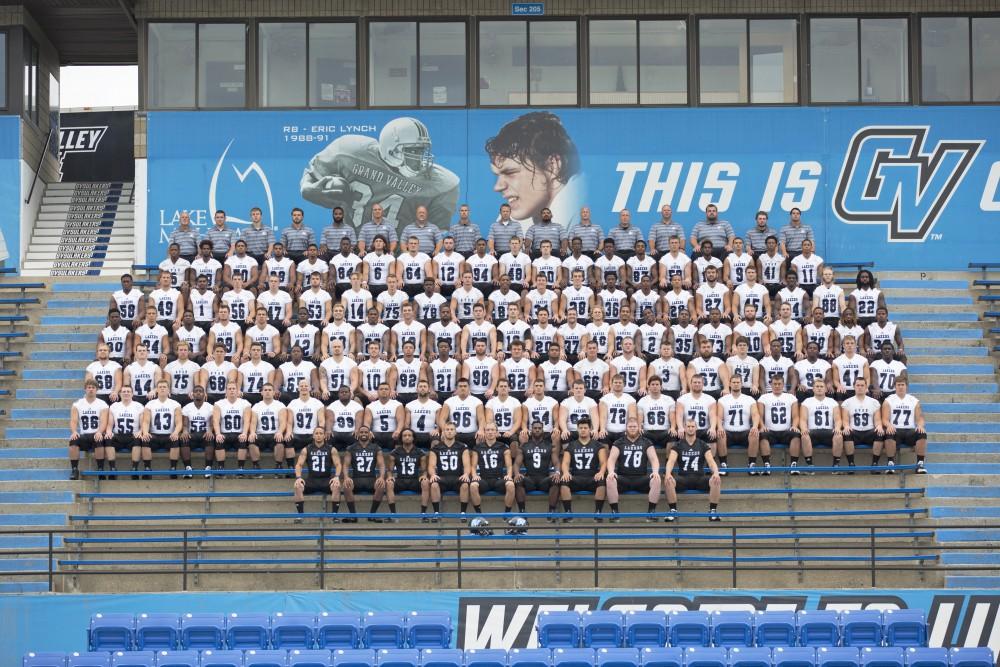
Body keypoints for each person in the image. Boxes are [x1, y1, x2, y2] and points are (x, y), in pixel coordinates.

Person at [301, 117, 459, 240]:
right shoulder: (350, 151)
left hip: (399, 255)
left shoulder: (442, 184)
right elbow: (311, 175)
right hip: (354, 245)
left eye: (422, 151)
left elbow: (434, 235)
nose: (420, 158)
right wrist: (307, 188)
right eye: (414, 151)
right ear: (392, 150)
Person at [486, 111, 583, 231]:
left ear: (552, 166)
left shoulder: (582, 208)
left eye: (510, 172)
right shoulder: (517, 214)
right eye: (497, 175)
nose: (498, 187)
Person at [664, 418, 722, 522]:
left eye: (692, 426)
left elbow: (711, 461)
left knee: (716, 480)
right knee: (668, 480)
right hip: (683, 478)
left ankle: (713, 511)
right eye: (688, 426)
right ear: (685, 428)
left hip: (700, 478)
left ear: (696, 428)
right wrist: (668, 473)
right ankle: (673, 510)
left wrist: (716, 473)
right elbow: (671, 461)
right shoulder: (678, 444)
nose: (690, 429)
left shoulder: (702, 444)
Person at [607, 417, 661, 521]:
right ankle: (615, 512)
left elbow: (654, 459)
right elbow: (611, 459)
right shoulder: (619, 442)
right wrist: (611, 472)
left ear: (639, 427)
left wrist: (655, 472)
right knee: (610, 479)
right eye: (630, 426)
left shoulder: (646, 442)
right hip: (623, 479)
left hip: (641, 479)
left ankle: (651, 512)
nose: (632, 428)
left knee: (656, 479)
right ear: (626, 428)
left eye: (634, 426)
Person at [759, 374, 809, 473]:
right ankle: (767, 465)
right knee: (762, 434)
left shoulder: (790, 397)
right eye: (775, 384)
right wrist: (762, 426)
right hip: (770, 430)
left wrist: (794, 426)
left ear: (783, 384)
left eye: (779, 384)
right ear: (771, 384)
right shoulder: (764, 397)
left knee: (796, 434)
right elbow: (759, 415)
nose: (777, 386)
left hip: (786, 430)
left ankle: (793, 464)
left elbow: (795, 416)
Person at [558, 418, 608, 520]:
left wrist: (601, 472)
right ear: (577, 429)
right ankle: (568, 513)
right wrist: (566, 472)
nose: (583, 430)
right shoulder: (571, 445)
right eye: (581, 428)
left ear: (590, 429)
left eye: (585, 428)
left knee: (602, 480)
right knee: (564, 480)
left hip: (592, 477)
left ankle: (598, 513)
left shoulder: (598, 445)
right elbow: (565, 462)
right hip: (576, 477)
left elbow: (603, 462)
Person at [293, 426, 342, 523]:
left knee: (336, 485)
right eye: (316, 433)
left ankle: (334, 516)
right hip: (312, 479)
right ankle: (300, 516)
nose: (319, 435)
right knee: (298, 486)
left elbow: (338, 464)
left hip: (326, 480)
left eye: (321, 433)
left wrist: (336, 477)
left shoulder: (331, 449)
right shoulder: (306, 449)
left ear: (324, 436)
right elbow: (299, 465)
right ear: (313, 436)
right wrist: (298, 477)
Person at [800, 378, 849, 472]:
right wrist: (804, 429)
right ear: (813, 389)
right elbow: (802, 419)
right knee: (804, 436)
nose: (819, 388)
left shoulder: (832, 402)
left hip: (828, 431)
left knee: (839, 435)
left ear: (826, 389)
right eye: (817, 386)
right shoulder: (807, 402)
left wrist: (838, 427)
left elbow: (838, 419)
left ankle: (836, 465)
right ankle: (810, 465)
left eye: (821, 386)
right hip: (813, 431)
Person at [466, 422, 515, 513]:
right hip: (484, 479)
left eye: (492, 430)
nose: (490, 432)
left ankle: (507, 512)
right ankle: (479, 513)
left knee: (511, 485)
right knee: (473, 485)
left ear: (496, 432)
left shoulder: (503, 447)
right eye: (488, 430)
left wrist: (509, 475)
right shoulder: (478, 448)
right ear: (484, 432)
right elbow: (473, 466)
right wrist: (474, 475)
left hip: (498, 479)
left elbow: (509, 465)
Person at [341, 425, 388, 522]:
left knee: (381, 485)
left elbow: (382, 465)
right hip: (356, 478)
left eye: (366, 432)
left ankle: (372, 515)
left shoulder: (376, 448)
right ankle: (353, 515)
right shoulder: (351, 448)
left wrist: (381, 477)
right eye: (361, 432)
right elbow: (345, 465)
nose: (363, 434)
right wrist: (346, 477)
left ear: (369, 434)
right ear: (358, 434)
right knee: (346, 485)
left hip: (371, 478)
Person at [881, 377, 927, 474]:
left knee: (922, 433)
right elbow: (884, 419)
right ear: (895, 386)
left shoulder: (914, 400)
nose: (901, 387)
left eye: (903, 385)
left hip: (909, 430)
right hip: (895, 430)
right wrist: (889, 425)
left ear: (906, 386)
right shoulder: (888, 400)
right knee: (889, 433)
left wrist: (920, 425)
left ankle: (920, 464)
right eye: (898, 385)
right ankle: (890, 463)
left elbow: (920, 418)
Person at [717, 375, 763, 474]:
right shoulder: (723, 400)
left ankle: (751, 465)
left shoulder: (749, 399)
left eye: (738, 382)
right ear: (729, 384)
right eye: (734, 382)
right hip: (728, 431)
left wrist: (755, 426)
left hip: (744, 432)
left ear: (741, 384)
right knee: (720, 434)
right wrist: (720, 427)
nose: (736, 384)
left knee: (755, 433)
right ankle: (724, 465)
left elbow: (755, 415)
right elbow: (719, 417)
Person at [840, 378, 885, 472]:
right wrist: (846, 426)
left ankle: (875, 464)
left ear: (866, 387)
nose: (860, 387)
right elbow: (845, 420)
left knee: (880, 433)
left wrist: (879, 426)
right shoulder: (847, 402)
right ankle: (851, 464)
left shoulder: (874, 402)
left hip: (869, 431)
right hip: (854, 431)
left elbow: (877, 420)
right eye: (858, 385)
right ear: (854, 387)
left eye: (862, 385)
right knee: (846, 433)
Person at [69, 379, 110, 480]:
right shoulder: (77, 404)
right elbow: (74, 420)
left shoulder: (102, 404)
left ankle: (100, 469)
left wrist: (100, 432)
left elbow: (104, 421)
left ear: (97, 390)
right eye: (89, 387)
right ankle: (74, 470)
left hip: (96, 433)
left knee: (99, 439)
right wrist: (74, 431)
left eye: (93, 388)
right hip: (84, 434)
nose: (91, 389)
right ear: (85, 389)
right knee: (73, 440)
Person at [142, 379, 184, 478]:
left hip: (169, 434)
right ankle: (147, 468)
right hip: (154, 434)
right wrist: (145, 432)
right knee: (145, 439)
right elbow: (146, 421)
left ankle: (173, 468)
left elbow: (179, 422)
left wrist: (176, 432)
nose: (162, 389)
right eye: (160, 387)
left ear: (168, 390)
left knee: (176, 439)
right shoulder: (150, 404)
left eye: (164, 387)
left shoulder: (175, 404)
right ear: (156, 389)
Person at [386, 428, 428, 520]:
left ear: (413, 438)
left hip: (414, 480)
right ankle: (393, 514)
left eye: (409, 435)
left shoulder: (420, 453)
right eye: (405, 435)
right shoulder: (394, 453)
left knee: (425, 482)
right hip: (400, 480)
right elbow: (389, 470)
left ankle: (423, 514)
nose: (407, 437)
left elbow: (424, 470)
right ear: (401, 438)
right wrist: (390, 477)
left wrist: (424, 476)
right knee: (389, 483)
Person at [427, 421, 465, 519]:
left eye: (452, 429)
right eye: (447, 430)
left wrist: (466, 474)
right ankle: (436, 513)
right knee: (434, 484)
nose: (449, 432)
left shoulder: (462, 447)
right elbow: (431, 465)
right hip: (442, 478)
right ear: (443, 432)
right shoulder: (436, 448)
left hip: (457, 477)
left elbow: (467, 465)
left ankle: (463, 513)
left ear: (455, 432)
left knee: (465, 484)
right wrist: (432, 474)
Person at [105, 385, 144, 481]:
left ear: (132, 393)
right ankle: (112, 468)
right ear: (120, 393)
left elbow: (143, 424)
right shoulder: (114, 406)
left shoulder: (138, 406)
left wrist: (140, 431)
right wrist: (109, 431)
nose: (126, 393)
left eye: (128, 391)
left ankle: (134, 468)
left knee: (138, 439)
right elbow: (110, 424)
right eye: (124, 391)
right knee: (108, 438)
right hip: (118, 435)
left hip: (132, 435)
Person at [212, 381, 252, 471]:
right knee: (219, 441)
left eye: (233, 388)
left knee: (243, 441)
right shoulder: (219, 404)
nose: (232, 390)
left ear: (238, 391)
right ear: (226, 391)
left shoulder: (245, 403)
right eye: (229, 389)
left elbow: (247, 420)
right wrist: (218, 433)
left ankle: (241, 468)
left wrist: (245, 433)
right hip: (224, 433)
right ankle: (220, 468)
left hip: (239, 433)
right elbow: (216, 420)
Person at [249, 382, 288, 473]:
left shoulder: (280, 405)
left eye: (270, 390)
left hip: (274, 434)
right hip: (261, 434)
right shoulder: (256, 406)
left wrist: (280, 432)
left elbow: (283, 422)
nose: (267, 392)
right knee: (251, 441)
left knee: (280, 442)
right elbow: (253, 423)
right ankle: (256, 466)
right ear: (261, 392)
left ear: (274, 392)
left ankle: (278, 466)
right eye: (265, 390)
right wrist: (252, 432)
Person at [182, 385, 216, 473]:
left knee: (211, 437)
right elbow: (185, 425)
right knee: (183, 438)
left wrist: (209, 430)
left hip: (204, 434)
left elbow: (212, 423)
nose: (198, 392)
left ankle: (208, 467)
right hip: (192, 434)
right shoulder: (187, 407)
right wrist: (185, 431)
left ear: (204, 394)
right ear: (192, 394)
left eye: (200, 391)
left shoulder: (210, 407)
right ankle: (188, 468)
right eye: (196, 391)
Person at [364, 382, 404, 449]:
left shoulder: (397, 405)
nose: (384, 391)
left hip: (392, 434)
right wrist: (369, 431)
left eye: (386, 389)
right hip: (376, 434)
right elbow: (367, 422)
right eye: (381, 389)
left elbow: (401, 421)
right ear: (378, 391)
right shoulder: (370, 406)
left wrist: (398, 431)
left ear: (390, 391)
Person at [327, 384, 364, 449]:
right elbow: (330, 420)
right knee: (328, 437)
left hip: (351, 432)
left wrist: (357, 429)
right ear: (338, 394)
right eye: (342, 392)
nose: (344, 393)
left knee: (359, 436)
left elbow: (359, 420)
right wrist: (329, 430)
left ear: (350, 393)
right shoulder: (332, 406)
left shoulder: (357, 406)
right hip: (337, 432)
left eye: (346, 392)